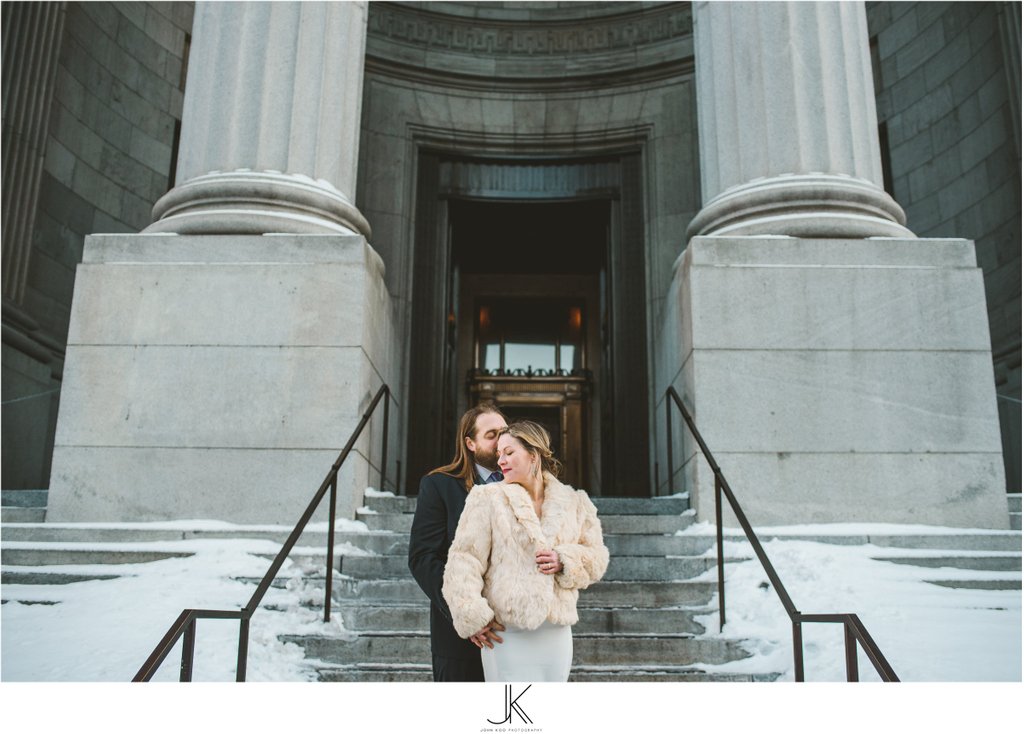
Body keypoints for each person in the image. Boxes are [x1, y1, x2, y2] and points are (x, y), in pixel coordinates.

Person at [442, 420, 609, 682]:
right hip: (506, 632)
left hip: (556, 632)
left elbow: (597, 558)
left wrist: (564, 559)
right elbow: (464, 561)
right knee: (512, 706)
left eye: (509, 452)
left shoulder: (575, 501)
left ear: (534, 455)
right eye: (499, 454)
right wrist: (472, 615)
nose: (500, 461)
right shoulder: (487, 498)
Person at [408, 404, 508, 682]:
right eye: (491, 435)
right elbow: (423, 558)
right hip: (462, 637)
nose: (501, 441)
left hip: (516, 634)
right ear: (470, 443)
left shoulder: (524, 484)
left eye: (505, 433)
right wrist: (467, 613)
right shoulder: (439, 485)